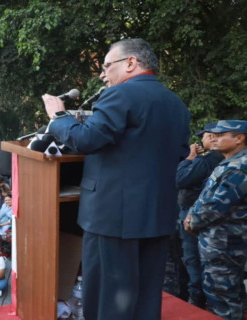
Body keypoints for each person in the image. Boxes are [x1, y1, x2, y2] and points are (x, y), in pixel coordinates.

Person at [42, 38, 190, 320]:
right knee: (147, 295)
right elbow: (180, 154)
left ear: (131, 63)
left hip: (112, 218)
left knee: (109, 298)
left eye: (107, 66)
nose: (102, 74)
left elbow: (85, 139)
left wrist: (58, 116)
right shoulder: (176, 103)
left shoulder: (121, 95)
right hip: (156, 214)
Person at [184, 120, 247, 320]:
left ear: (239, 138)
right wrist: (191, 214)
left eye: (221, 135)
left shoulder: (240, 167)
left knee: (222, 298)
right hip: (216, 241)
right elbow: (206, 195)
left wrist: (193, 221)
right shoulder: (229, 161)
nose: (215, 138)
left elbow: (218, 204)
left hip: (226, 243)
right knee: (225, 293)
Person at [176, 122, 223, 307]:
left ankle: (197, 303)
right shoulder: (222, 159)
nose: (201, 140)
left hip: (195, 219)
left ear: (211, 137)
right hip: (207, 220)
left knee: (193, 262)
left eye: (202, 136)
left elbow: (181, 179)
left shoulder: (210, 159)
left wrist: (189, 158)